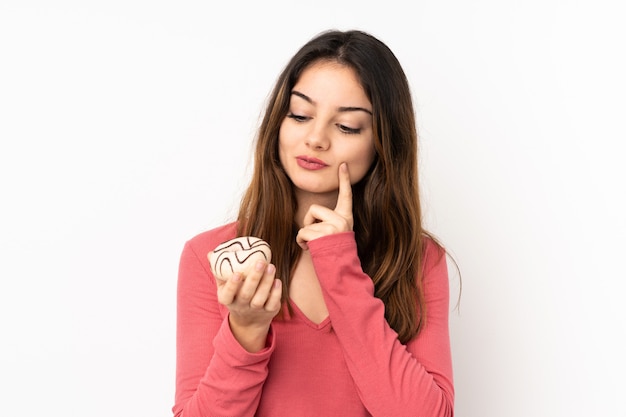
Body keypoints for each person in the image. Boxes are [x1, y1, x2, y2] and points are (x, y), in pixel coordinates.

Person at [172, 29, 455, 417]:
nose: (316, 138)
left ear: (383, 144)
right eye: (301, 115)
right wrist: (246, 330)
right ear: (278, 122)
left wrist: (340, 265)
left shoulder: (417, 258)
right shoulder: (209, 256)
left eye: (347, 126)